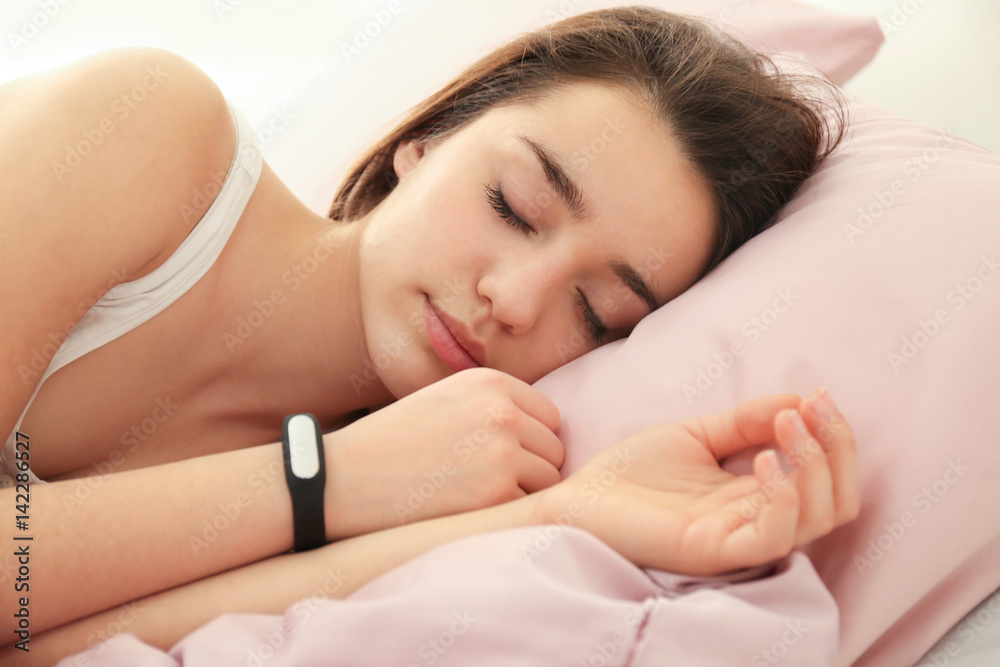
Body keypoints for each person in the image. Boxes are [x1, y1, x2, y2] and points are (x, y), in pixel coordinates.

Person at [0, 6, 857, 662]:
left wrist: (569, 514)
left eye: (598, 313)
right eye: (513, 206)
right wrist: (322, 480)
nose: (514, 301)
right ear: (429, 136)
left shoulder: (411, 480)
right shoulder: (149, 133)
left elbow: (36, 643)